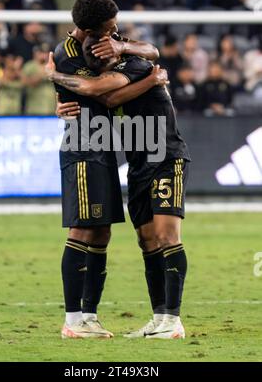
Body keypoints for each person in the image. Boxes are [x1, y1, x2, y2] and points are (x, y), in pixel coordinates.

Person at [50, 31, 190, 340]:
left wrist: (55, 75)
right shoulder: (120, 75)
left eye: (107, 56)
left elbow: (108, 96)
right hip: (139, 165)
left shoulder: (138, 66)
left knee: (166, 235)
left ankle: (173, 320)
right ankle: (159, 318)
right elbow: (96, 100)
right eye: (98, 60)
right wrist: (60, 103)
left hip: (166, 157)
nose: (104, 62)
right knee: (148, 241)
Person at [46, 0, 160, 339]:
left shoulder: (106, 40)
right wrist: (53, 77)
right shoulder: (65, 55)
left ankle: (89, 316)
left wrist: (124, 48)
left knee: (102, 231)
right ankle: (73, 320)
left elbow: (151, 50)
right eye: (109, 29)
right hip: (82, 145)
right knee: (82, 229)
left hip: (104, 146)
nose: (115, 32)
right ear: (87, 30)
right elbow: (97, 91)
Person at [23, 43, 56, 115]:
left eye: (46, 52)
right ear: (35, 53)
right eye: (41, 52)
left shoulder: (54, 65)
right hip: (34, 110)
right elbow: (26, 83)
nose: (44, 55)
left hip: (51, 109)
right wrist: (43, 73)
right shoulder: (29, 66)